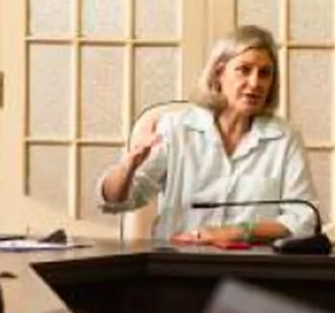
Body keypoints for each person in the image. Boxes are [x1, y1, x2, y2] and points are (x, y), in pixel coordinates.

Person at [97, 26, 319, 245]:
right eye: (244, 69)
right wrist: (127, 167)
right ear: (219, 73)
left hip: (251, 268)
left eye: (264, 73)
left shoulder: (285, 137)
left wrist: (237, 232)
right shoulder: (176, 128)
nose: (255, 83)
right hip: (179, 265)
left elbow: (304, 219)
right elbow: (118, 201)